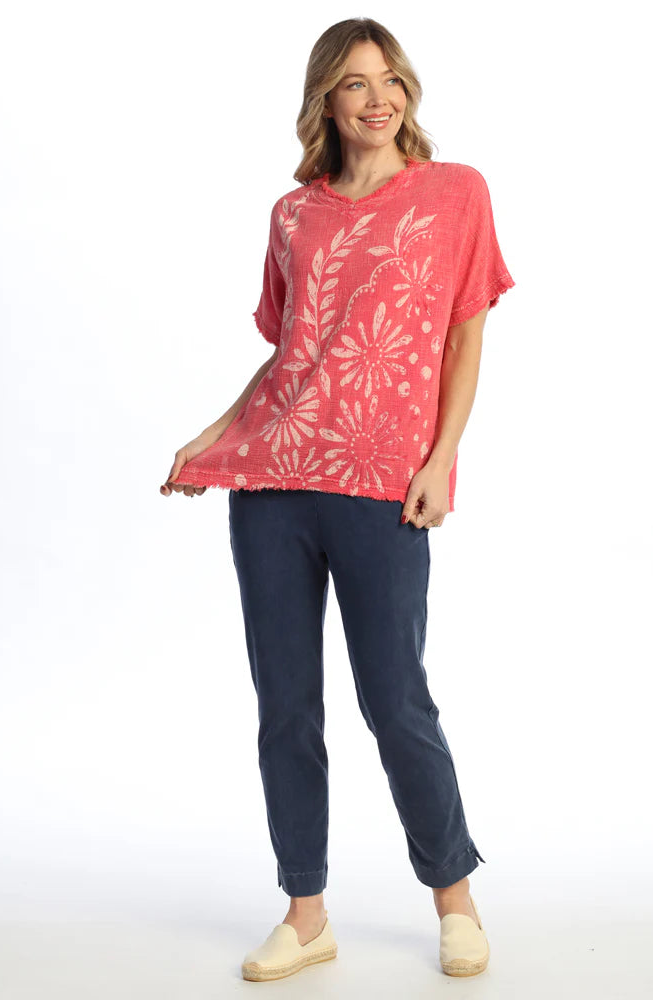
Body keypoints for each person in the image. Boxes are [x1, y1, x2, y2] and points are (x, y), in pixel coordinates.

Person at [160, 17, 514, 982]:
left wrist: (443, 458)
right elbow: (291, 355)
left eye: (390, 77)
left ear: (409, 90)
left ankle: (455, 897)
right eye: (355, 82)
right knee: (285, 708)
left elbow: (465, 335)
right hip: (273, 483)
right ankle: (306, 911)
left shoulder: (454, 193)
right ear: (326, 99)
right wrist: (215, 436)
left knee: (395, 700)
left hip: (382, 485)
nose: (378, 97)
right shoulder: (293, 215)